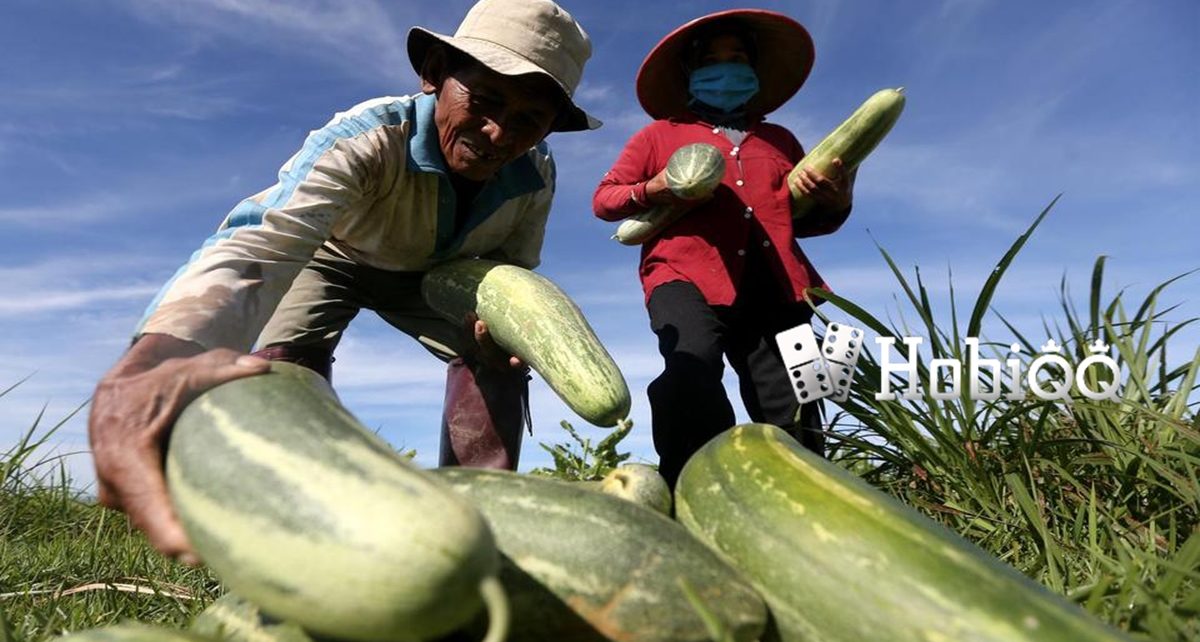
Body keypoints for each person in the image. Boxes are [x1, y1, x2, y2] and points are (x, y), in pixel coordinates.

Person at [88, 0, 599, 563]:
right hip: (332, 255)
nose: (499, 132)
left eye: (529, 121)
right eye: (484, 100)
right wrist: (154, 362)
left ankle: (482, 525)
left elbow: (513, 271)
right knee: (280, 366)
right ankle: (294, 520)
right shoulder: (368, 135)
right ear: (434, 74)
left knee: (500, 357)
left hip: (437, 276)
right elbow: (264, 243)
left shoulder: (536, 174)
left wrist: (503, 331)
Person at [592, 9, 854, 489]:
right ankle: (693, 486)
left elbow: (804, 222)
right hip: (685, 275)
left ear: (753, 69)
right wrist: (659, 187)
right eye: (712, 59)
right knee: (692, 367)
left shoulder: (779, 140)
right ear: (692, 73)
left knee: (796, 396)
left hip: (778, 283)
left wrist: (838, 199)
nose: (726, 66)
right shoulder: (659, 136)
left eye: (737, 57)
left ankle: (806, 492)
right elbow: (605, 200)